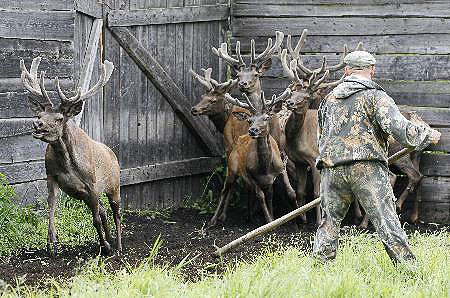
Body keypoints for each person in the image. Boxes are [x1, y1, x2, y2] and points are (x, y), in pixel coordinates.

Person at [313, 50, 441, 264]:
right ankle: (410, 272)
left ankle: (318, 271)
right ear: (372, 70)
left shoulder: (328, 100)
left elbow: (321, 136)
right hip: (367, 170)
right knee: (387, 223)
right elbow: (401, 131)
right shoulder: (376, 96)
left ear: (346, 70)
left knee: (329, 224)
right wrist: (428, 135)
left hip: (331, 168)